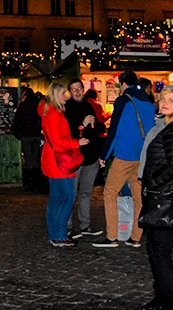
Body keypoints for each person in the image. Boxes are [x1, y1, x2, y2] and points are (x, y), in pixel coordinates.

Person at [138, 84, 173, 310]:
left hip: (165, 199)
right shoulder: (165, 127)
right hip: (160, 197)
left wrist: (153, 182)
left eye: (171, 100)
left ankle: (169, 302)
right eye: (163, 99)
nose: (165, 104)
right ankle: (162, 297)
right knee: (155, 251)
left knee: (160, 253)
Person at [94, 70, 156, 249]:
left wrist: (104, 155)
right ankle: (136, 237)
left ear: (122, 83)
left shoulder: (123, 101)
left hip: (124, 154)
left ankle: (112, 236)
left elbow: (114, 130)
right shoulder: (148, 103)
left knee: (110, 192)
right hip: (141, 156)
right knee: (138, 197)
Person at [40, 82, 88, 246]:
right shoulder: (55, 114)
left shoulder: (51, 112)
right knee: (68, 197)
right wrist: (77, 143)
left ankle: (54, 233)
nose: (66, 96)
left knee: (56, 198)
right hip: (59, 163)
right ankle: (59, 234)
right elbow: (59, 141)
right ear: (55, 95)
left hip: (52, 160)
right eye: (63, 93)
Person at [65, 79, 104, 239]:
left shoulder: (89, 106)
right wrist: (81, 124)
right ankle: (67, 227)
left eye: (79, 88)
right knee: (71, 194)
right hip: (75, 157)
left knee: (87, 193)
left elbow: (95, 131)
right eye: (74, 89)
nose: (77, 91)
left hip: (91, 156)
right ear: (70, 91)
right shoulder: (67, 108)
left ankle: (85, 225)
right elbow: (67, 132)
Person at [11, 88, 44, 193]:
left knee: (28, 159)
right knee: (36, 158)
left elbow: (16, 121)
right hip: (37, 135)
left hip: (26, 135)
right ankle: (38, 182)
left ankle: (30, 183)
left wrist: (18, 134)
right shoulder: (38, 105)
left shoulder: (23, 106)